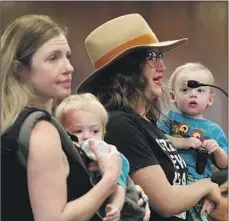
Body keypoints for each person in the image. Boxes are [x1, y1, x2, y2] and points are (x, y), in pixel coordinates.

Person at [76, 13, 222, 221]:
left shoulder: (147, 122)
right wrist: (206, 186)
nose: (162, 67)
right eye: (151, 57)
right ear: (127, 68)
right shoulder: (119, 124)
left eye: (160, 57)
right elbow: (167, 202)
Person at [1, 14, 122, 221]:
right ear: (20, 69)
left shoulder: (12, 123)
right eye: (53, 58)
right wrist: (110, 179)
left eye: (67, 56)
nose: (68, 67)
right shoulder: (40, 131)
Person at [55, 93, 151, 221]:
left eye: (95, 131)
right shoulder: (64, 159)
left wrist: (115, 207)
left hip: (127, 210)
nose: (87, 137)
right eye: (78, 131)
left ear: (103, 133)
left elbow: (119, 186)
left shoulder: (112, 156)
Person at [158, 62, 228, 220]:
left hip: (200, 184)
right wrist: (183, 142)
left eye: (200, 90)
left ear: (210, 99)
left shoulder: (215, 130)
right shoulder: (170, 118)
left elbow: (224, 164)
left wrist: (216, 150)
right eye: (185, 89)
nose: (193, 94)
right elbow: (157, 140)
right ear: (173, 96)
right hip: (171, 179)